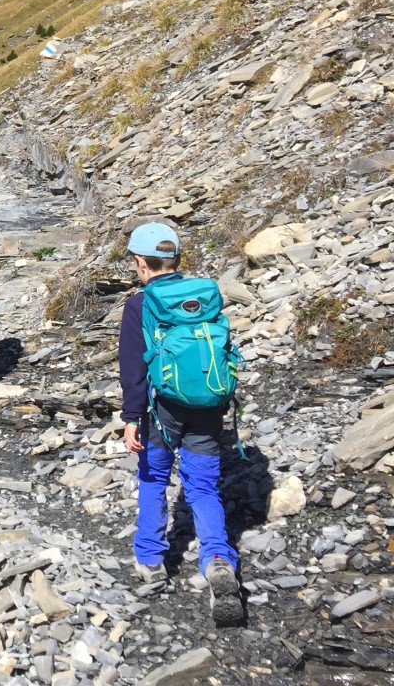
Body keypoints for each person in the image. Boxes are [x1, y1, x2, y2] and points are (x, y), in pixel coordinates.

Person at [119, 221, 242, 626]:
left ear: (141, 262)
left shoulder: (140, 304)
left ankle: (151, 560)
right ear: (176, 258)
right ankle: (218, 559)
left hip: (162, 410)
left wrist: (131, 417)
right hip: (208, 405)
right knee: (203, 486)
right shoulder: (202, 295)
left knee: (153, 477)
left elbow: (134, 369)